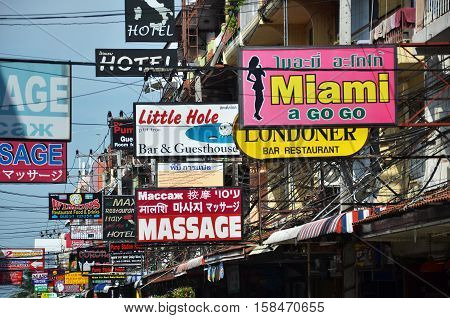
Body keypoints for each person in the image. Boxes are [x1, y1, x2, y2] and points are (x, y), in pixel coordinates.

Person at [247, 56, 266, 121]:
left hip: (259, 84)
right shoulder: (252, 69)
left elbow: (264, 74)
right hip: (257, 85)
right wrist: (254, 81)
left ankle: (257, 113)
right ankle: (256, 113)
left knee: (260, 99)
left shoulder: (256, 69)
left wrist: (261, 69)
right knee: (259, 99)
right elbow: (248, 78)